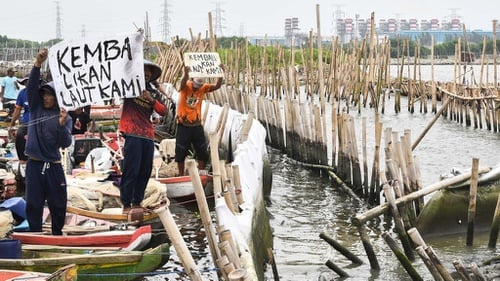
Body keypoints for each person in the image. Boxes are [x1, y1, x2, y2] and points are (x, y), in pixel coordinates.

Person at [24, 48, 73, 235]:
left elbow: (65, 143)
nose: (45, 97)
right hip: (34, 165)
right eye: (43, 94)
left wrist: (61, 125)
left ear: (57, 97)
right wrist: (38, 63)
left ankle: (57, 234)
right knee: (33, 203)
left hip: (53, 166)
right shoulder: (36, 108)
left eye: (50, 94)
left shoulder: (64, 117)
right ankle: (35, 233)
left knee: (58, 203)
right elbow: (31, 87)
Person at [118, 59, 168, 216]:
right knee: (131, 169)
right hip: (132, 132)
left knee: (145, 170)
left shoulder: (153, 92)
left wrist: (151, 100)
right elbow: (116, 86)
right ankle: (126, 203)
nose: (146, 74)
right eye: (143, 71)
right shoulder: (129, 86)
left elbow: (164, 111)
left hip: (147, 134)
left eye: (149, 73)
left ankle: (137, 202)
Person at [175, 65, 224, 176]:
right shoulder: (186, 86)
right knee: (180, 152)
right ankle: (181, 174)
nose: (197, 87)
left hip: (196, 126)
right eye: (196, 84)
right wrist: (185, 74)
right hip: (184, 126)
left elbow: (217, 86)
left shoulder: (203, 88)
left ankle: (201, 174)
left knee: (202, 152)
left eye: (199, 85)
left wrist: (220, 74)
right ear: (192, 80)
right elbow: (181, 85)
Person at [9, 76, 30, 164]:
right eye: (26, 82)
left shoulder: (41, 92)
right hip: (25, 121)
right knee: (20, 136)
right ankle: (22, 161)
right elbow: (17, 110)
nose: (27, 83)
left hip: (40, 121)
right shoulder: (22, 93)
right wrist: (12, 124)